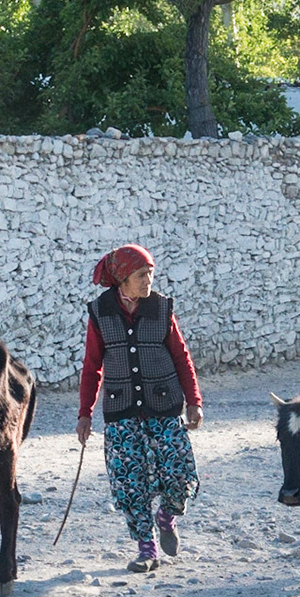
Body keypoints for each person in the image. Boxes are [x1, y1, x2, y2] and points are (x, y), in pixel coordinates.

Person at [75, 245, 203, 573]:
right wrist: (85, 413)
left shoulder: (160, 308)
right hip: (121, 411)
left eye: (150, 274)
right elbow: (92, 367)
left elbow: (181, 357)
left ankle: (167, 516)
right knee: (130, 482)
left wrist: (193, 401)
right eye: (141, 275)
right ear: (122, 279)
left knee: (180, 476)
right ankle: (147, 549)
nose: (148, 281)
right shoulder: (101, 312)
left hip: (164, 406)